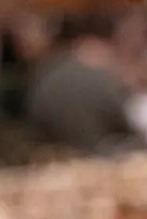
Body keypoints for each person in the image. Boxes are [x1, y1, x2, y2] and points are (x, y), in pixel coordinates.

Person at [25, 13, 136, 152]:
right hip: (94, 152)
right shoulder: (98, 74)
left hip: (50, 151)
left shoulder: (48, 69)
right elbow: (124, 122)